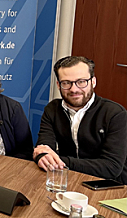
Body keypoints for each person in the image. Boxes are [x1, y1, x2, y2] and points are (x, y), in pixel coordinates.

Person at [34, 56, 127, 184]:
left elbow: (111, 167)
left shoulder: (115, 114)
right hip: (68, 179)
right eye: (66, 83)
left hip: (110, 185)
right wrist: (42, 156)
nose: (74, 89)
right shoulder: (52, 109)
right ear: (58, 85)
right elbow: (44, 149)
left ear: (93, 82)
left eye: (81, 82)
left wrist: (59, 161)